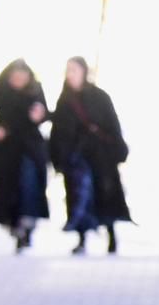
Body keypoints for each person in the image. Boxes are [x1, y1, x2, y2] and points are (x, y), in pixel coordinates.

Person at [50, 57, 132, 255]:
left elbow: (113, 125)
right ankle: (82, 237)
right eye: (68, 70)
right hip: (76, 159)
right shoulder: (64, 100)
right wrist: (59, 157)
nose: (71, 74)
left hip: (100, 157)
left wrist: (116, 149)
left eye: (74, 70)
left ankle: (112, 236)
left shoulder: (99, 97)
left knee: (105, 195)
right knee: (80, 197)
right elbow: (58, 131)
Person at [0, 59, 50, 251]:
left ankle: (26, 227)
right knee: (7, 189)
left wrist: (40, 115)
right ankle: (14, 225)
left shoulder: (36, 89)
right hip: (7, 148)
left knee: (29, 186)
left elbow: (45, 112)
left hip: (30, 147)